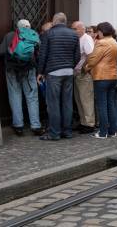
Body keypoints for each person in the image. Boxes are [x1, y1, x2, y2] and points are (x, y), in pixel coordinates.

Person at [37, 13, 80, 141]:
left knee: (53, 103)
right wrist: (70, 65)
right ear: (65, 22)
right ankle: (67, 131)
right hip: (68, 72)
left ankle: (54, 133)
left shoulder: (48, 34)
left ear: (54, 21)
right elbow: (77, 55)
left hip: (54, 72)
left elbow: (43, 55)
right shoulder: (74, 34)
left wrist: (40, 72)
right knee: (67, 102)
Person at [0, 19, 43, 136]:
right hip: (29, 70)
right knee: (32, 97)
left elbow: (0, 51)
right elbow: (39, 53)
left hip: (12, 70)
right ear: (29, 26)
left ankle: (18, 126)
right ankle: (36, 126)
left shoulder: (10, 35)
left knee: (15, 96)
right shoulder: (33, 35)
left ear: (17, 27)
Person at [84, 22, 117, 139]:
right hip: (112, 76)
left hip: (101, 76)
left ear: (101, 31)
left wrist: (86, 67)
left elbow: (93, 59)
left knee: (102, 105)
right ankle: (112, 131)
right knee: (111, 104)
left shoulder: (102, 43)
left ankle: (103, 132)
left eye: (98, 31)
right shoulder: (114, 41)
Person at [71, 21, 96, 134]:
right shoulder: (78, 39)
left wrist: (84, 68)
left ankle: (89, 124)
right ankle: (83, 122)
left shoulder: (86, 38)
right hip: (76, 72)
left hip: (83, 73)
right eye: (72, 28)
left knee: (86, 99)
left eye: (75, 29)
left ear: (82, 29)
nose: (73, 31)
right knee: (79, 98)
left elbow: (90, 55)